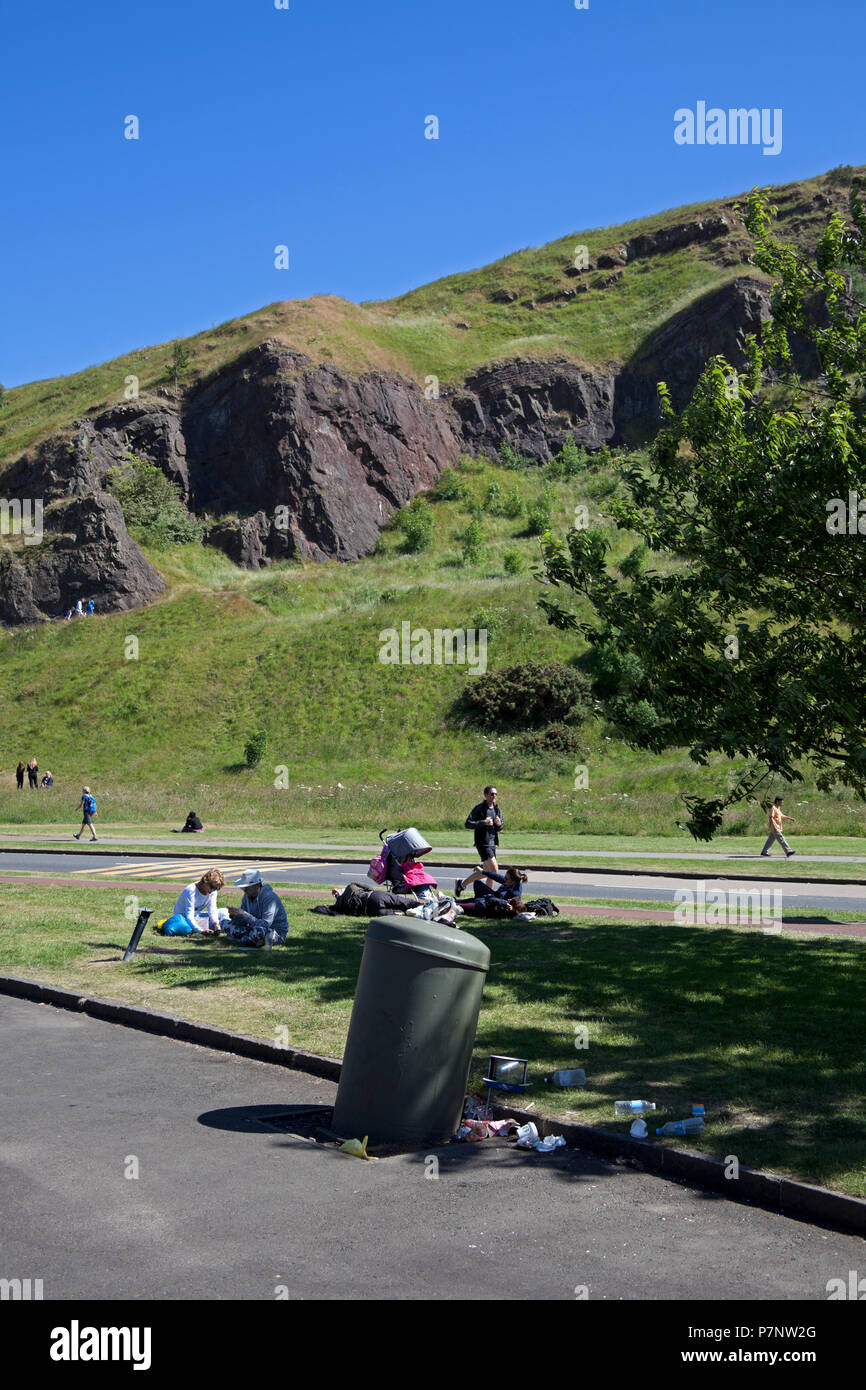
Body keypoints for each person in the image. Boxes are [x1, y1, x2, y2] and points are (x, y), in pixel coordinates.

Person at [223, 870, 289, 947]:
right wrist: (234, 916)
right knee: (224, 923)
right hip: (253, 928)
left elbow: (265, 924)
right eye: (243, 888)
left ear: (257, 885)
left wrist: (244, 914)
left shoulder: (269, 898)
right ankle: (249, 939)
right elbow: (243, 922)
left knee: (259, 932)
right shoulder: (246, 896)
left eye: (247, 887)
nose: (245, 890)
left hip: (273, 931)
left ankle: (243, 939)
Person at [464, 786, 504, 886]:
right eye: (491, 794)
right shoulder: (479, 808)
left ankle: (463, 885)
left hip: (492, 842)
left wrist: (499, 824)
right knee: (494, 871)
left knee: (489, 872)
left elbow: (500, 827)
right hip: (482, 843)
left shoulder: (497, 809)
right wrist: (483, 822)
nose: (494, 796)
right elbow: (468, 823)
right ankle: (463, 884)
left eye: (496, 794)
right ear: (485, 795)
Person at [455, 865, 528, 917]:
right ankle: (458, 900)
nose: (504, 879)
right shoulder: (509, 882)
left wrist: (489, 898)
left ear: (513, 881)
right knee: (477, 883)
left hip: (492, 903)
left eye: (506, 878)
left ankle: (473, 902)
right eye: (505, 877)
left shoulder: (514, 893)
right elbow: (497, 877)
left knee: (467, 903)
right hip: (491, 897)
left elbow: (503, 905)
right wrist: (482, 871)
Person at [171, 870, 227, 935]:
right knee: (195, 924)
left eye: (217, 888)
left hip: (196, 915)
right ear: (205, 881)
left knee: (224, 911)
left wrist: (216, 923)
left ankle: (217, 927)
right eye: (212, 887)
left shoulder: (213, 891)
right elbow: (189, 915)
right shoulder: (191, 891)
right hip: (183, 918)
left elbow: (212, 910)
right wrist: (201, 931)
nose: (212, 890)